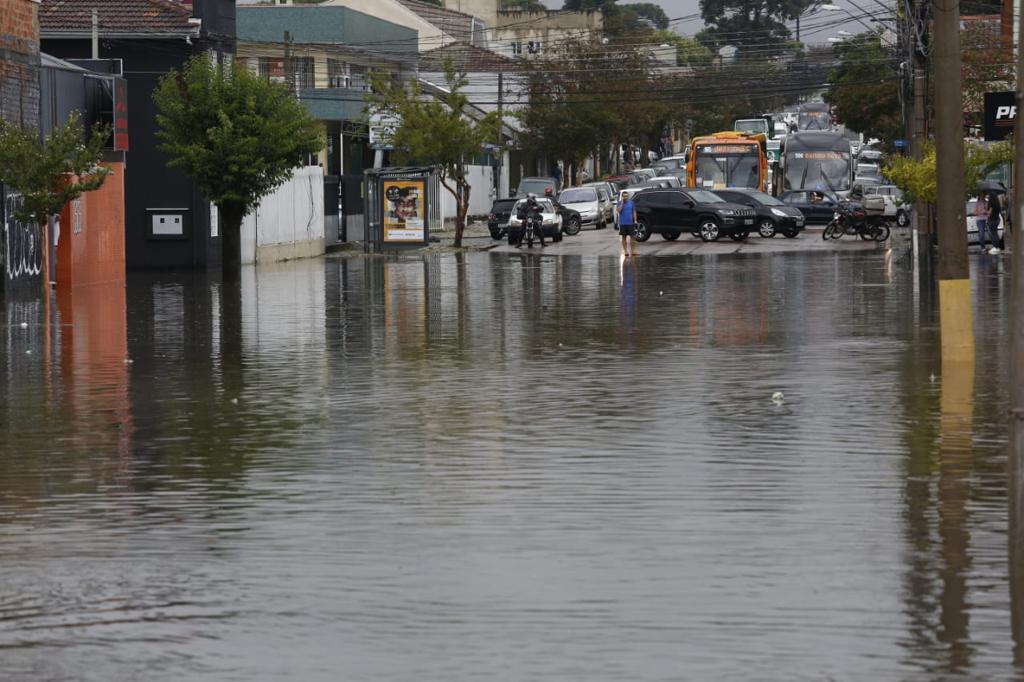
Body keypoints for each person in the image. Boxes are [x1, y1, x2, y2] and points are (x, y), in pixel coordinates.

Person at [617, 191, 637, 256]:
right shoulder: (619, 203)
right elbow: (619, 211)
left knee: (632, 237)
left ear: (628, 196)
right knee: (624, 237)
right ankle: (625, 251)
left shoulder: (631, 203)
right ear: (622, 197)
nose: (625, 197)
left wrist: (635, 220)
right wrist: (622, 204)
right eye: (624, 196)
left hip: (630, 223)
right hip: (623, 223)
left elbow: (634, 212)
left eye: (626, 196)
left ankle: (633, 250)